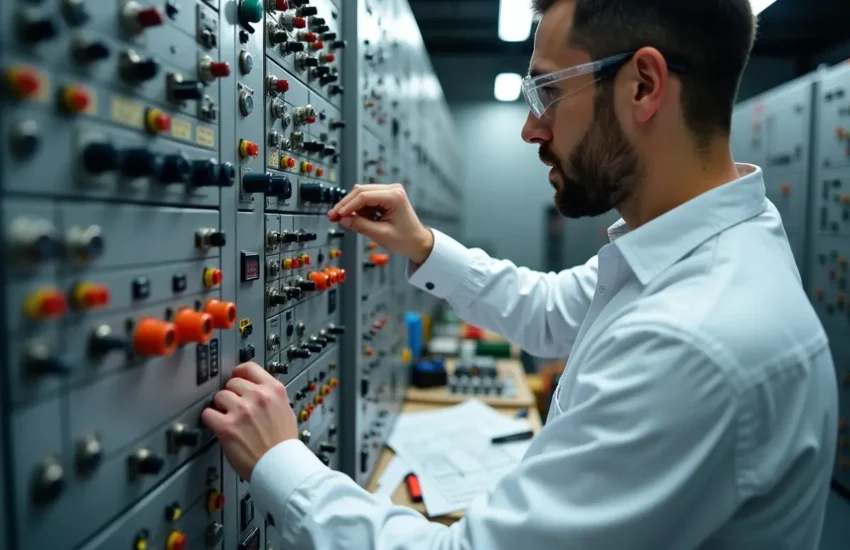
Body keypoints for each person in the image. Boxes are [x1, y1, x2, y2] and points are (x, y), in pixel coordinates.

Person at [201, 0, 840, 548]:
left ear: (643, 86)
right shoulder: (700, 250)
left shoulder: (697, 340)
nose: (533, 128)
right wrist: (423, 245)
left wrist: (282, 464)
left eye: (549, 92)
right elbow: (554, 310)